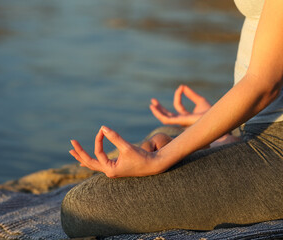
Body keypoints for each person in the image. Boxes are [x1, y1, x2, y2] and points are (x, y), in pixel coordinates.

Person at [61, 0, 283, 237]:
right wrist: (222, 124)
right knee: (161, 136)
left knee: (82, 208)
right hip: (260, 127)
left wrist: (158, 160)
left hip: (276, 145)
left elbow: (264, 85)